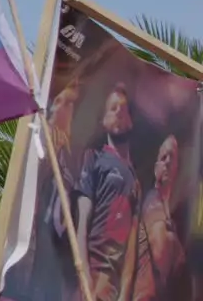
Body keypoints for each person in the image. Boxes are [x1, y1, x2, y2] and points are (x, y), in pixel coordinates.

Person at [74, 83, 140, 301]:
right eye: (113, 108)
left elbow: (132, 249)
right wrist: (84, 276)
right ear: (103, 122)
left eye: (124, 108)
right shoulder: (94, 158)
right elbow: (82, 223)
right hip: (92, 274)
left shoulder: (136, 183)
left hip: (113, 287)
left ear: (131, 121)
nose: (119, 111)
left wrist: (124, 295)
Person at [133, 135, 188, 300]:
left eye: (172, 157)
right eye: (163, 157)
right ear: (156, 166)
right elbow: (159, 251)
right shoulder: (152, 201)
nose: (168, 162)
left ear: (177, 167)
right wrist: (175, 247)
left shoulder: (167, 210)